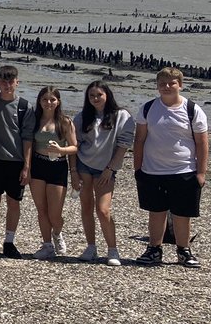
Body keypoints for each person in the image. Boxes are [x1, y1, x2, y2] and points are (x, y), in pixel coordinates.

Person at [133, 68, 207, 267]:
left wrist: (201, 172)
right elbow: (139, 139)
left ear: (180, 85)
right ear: (157, 86)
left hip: (184, 170)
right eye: (162, 83)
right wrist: (137, 169)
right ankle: (154, 249)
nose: (167, 87)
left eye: (171, 83)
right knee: (156, 211)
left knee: (182, 214)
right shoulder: (148, 108)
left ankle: (184, 251)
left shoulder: (192, 109)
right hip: (152, 170)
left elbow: (202, 143)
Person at [73, 81, 134, 265]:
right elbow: (75, 145)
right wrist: (73, 172)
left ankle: (112, 250)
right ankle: (91, 246)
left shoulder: (122, 116)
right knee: (86, 207)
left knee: (103, 210)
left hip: (106, 168)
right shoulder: (82, 117)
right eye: (91, 96)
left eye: (99, 95)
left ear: (107, 95)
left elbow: (124, 145)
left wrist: (111, 169)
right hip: (84, 165)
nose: (95, 99)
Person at [0, 66, 33, 258]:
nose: (7, 85)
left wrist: (27, 166)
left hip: (15, 161)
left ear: (17, 82)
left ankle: (9, 242)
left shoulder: (25, 106)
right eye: (3, 81)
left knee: (14, 202)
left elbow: (28, 138)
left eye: (11, 81)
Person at [26, 87, 78, 260]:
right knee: (41, 210)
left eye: (52, 100)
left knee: (55, 213)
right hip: (38, 165)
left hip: (57, 166)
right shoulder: (34, 119)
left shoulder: (65, 122)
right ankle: (47, 244)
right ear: (39, 101)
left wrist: (61, 149)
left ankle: (57, 233)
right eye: (45, 100)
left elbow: (75, 147)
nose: (48, 103)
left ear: (58, 101)